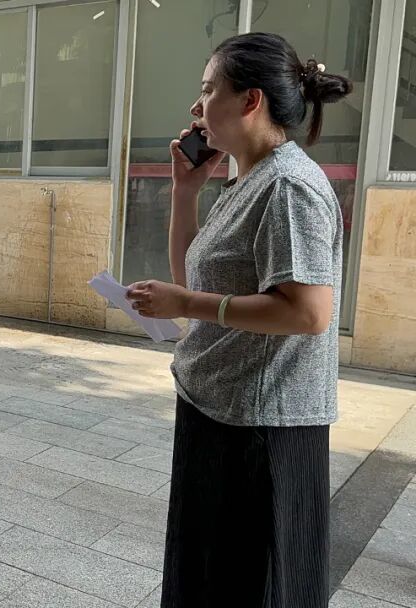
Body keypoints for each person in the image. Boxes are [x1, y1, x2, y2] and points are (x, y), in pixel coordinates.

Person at [125, 32, 350, 607]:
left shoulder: (289, 186)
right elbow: (196, 280)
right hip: (217, 407)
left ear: (250, 101)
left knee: (257, 584)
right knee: (208, 574)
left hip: (264, 426)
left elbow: (307, 312)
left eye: (207, 91)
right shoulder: (245, 179)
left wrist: (188, 306)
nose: (195, 108)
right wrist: (185, 193)